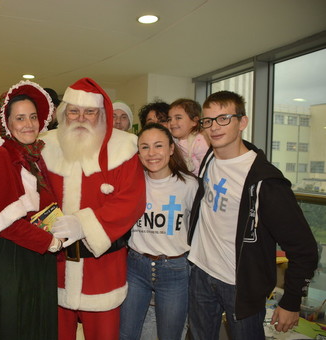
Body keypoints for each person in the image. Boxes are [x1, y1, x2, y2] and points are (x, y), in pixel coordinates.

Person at [187, 90, 318, 340]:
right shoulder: (210, 159)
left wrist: (291, 301)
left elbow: (304, 248)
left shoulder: (266, 181)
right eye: (208, 120)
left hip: (240, 285)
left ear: (242, 122)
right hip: (201, 272)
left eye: (223, 118)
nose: (214, 127)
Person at [40, 77, 146, 340]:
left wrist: (84, 224)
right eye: (74, 111)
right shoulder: (44, 145)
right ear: (64, 112)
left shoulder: (124, 148)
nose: (80, 117)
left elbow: (131, 201)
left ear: (101, 114)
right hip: (55, 267)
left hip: (103, 269)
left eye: (89, 112)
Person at [0, 80, 62, 340]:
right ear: (7, 123)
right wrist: (50, 241)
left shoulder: (34, 156)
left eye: (32, 116)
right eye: (20, 118)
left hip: (32, 256)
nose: (28, 123)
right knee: (12, 325)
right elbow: (3, 220)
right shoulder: (2, 157)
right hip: (9, 261)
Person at [120, 123, 197, 340]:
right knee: (126, 334)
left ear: (171, 149)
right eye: (144, 147)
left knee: (171, 335)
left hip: (174, 269)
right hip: (136, 267)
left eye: (158, 146)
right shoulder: (133, 183)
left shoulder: (189, 185)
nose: (152, 153)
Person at [168, 98, 209, 175]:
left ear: (194, 121)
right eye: (169, 119)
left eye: (178, 118)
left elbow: (207, 167)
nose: (172, 122)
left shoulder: (199, 141)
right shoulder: (173, 140)